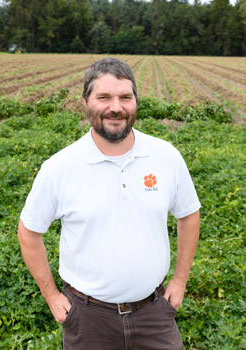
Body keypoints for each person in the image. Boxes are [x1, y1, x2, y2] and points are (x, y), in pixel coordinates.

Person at [18, 57, 200, 350]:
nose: (115, 107)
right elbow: (29, 231)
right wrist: (51, 295)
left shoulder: (166, 156)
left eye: (125, 97)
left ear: (135, 101)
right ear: (85, 102)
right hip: (88, 320)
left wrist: (179, 280)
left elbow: (189, 214)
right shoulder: (60, 167)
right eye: (104, 97)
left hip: (154, 314)